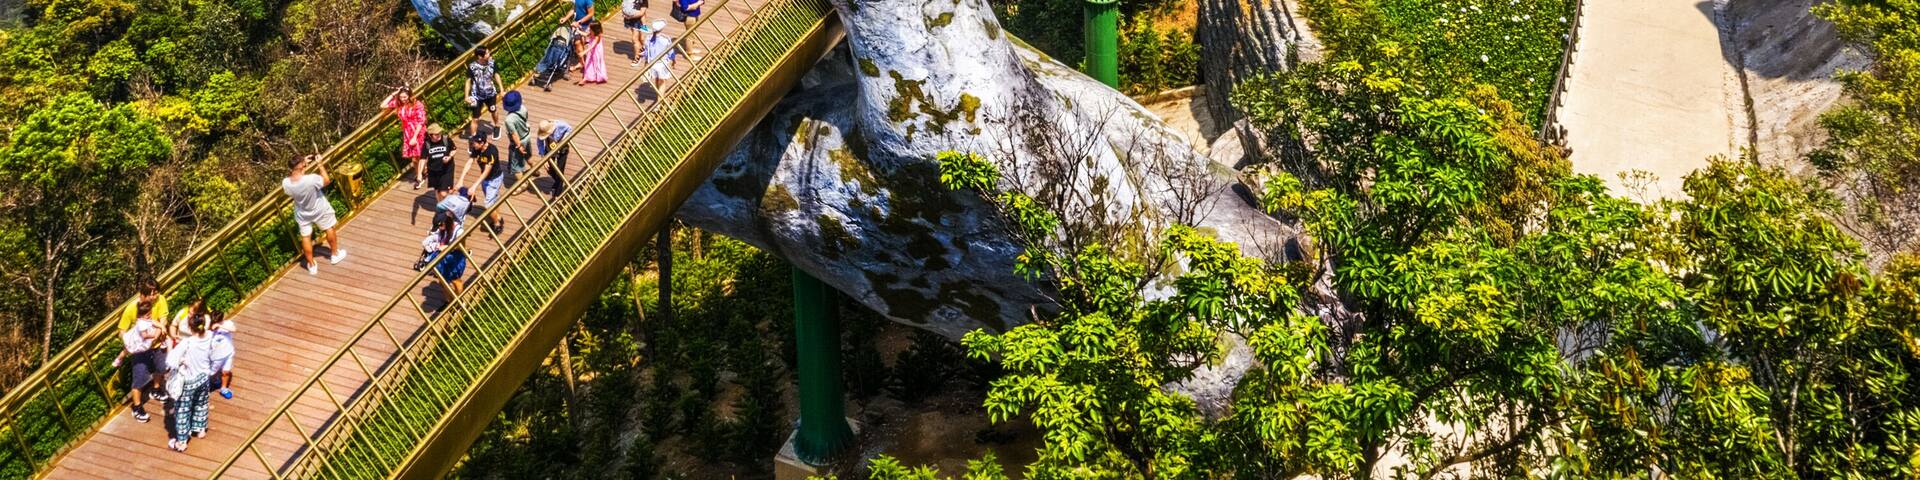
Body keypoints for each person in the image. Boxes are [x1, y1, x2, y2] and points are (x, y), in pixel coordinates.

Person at [282, 154, 347, 275]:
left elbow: (295, 181)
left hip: (302, 213)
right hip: (319, 208)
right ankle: (334, 254)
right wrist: (320, 165)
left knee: (306, 237)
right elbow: (326, 181)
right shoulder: (311, 179)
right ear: (301, 165)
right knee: (329, 228)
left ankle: (311, 265)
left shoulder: (286, 183)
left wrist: (303, 165)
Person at [165, 316, 214, 452]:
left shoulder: (188, 343)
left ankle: (182, 441)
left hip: (189, 381)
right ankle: (200, 430)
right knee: (201, 403)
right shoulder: (210, 336)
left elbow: (170, 360)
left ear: (190, 328)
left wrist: (171, 347)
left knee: (183, 410)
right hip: (204, 377)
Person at [119, 299, 163, 423]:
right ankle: (137, 407)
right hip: (140, 351)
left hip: (152, 348)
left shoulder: (149, 314)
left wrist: (160, 327)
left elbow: (156, 322)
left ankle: (156, 389)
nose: (154, 296)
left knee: (160, 368)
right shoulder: (134, 314)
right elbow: (122, 331)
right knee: (139, 379)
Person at [381, 87, 430, 189]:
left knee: (418, 156)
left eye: (405, 96)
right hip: (407, 132)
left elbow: (421, 121)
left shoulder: (417, 104)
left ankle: (420, 176)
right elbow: (383, 105)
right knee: (415, 157)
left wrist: (415, 136)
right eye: (401, 97)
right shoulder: (399, 104)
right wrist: (393, 94)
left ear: (409, 96)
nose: (403, 99)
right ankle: (422, 172)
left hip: (418, 131)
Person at [461, 133, 506, 231]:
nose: (473, 145)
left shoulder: (492, 151)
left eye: (475, 143)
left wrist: (474, 186)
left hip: (494, 179)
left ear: (482, 143)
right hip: (485, 179)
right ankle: (497, 216)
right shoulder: (476, 149)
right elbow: (470, 162)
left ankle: (497, 223)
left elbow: (487, 171)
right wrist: (461, 179)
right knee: (492, 200)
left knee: (488, 204)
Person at [422, 212, 469, 294]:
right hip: (444, 257)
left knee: (456, 281)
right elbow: (436, 236)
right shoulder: (442, 229)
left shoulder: (459, 231)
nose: (439, 228)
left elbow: (461, 247)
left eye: (440, 226)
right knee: (443, 281)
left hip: (456, 258)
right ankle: (450, 301)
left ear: (445, 222)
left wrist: (447, 248)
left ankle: (458, 301)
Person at [465, 47, 505, 140]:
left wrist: (501, 89)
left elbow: (496, 75)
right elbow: (468, 81)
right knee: (475, 118)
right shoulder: (472, 67)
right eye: (486, 53)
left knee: (493, 110)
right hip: (477, 96)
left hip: (490, 93)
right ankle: (473, 138)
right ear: (480, 56)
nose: (489, 54)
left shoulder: (492, 63)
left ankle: (497, 126)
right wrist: (466, 96)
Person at [536, 119, 573, 200]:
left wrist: (564, 139)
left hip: (562, 148)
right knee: (549, 169)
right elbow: (540, 143)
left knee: (559, 171)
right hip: (550, 148)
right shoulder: (543, 131)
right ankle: (559, 182)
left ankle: (558, 193)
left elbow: (569, 129)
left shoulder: (560, 125)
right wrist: (543, 158)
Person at [640, 20, 678, 92]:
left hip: (652, 63)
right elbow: (671, 52)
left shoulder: (648, 38)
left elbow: (646, 53)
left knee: (657, 79)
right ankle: (660, 99)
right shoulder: (665, 39)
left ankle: (658, 94)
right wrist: (674, 61)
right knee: (662, 82)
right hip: (662, 63)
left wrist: (646, 63)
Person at [423, 124, 458, 201]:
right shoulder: (426, 144)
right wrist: (421, 171)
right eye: (436, 134)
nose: (439, 135)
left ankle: (446, 205)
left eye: (439, 133)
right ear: (430, 135)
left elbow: (454, 149)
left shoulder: (446, 139)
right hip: (433, 170)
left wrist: (449, 157)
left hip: (447, 169)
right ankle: (440, 206)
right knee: (438, 190)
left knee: (443, 193)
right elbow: (423, 158)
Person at [502, 91, 532, 180]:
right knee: (528, 156)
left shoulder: (509, 120)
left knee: (515, 167)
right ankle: (535, 170)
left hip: (519, 142)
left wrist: (519, 146)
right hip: (527, 136)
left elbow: (514, 134)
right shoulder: (523, 108)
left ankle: (523, 184)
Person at [207, 311, 236, 399]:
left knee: (226, 372)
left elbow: (234, 329)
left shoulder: (227, 324)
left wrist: (220, 326)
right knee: (210, 373)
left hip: (228, 353)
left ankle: (224, 388)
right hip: (216, 356)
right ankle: (205, 388)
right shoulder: (208, 328)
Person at [576, 22, 608, 86]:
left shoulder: (597, 36)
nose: (589, 29)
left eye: (590, 29)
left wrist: (584, 52)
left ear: (594, 29)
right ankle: (586, 77)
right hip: (591, 51)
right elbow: (585, 34)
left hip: (597, 52)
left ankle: (599, 76)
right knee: (589, 62)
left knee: (596, 64)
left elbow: (592, 46)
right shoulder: (591, 33)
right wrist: (578, 30)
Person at [623, 0, 650, 65]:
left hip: (637, 21)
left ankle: (637, 57)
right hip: (631, 20)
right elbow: (624, 5)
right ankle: (646, 49)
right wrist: (624, 13)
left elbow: (642, 13)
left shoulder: (643, 1)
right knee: (640, 38)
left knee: (634, 39)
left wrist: (629, 17)